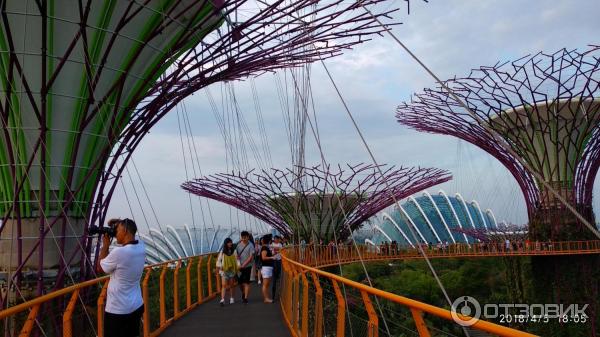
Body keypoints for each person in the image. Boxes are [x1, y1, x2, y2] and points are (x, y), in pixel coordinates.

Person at [97, 218, 145, 337]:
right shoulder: (141, 246)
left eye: (117, 230)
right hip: (136, 305)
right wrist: (119, 222)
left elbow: (100, 268)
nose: (115, 233)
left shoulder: (119, 252)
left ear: (125, 231)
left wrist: (105, 246)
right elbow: (132, 229)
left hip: (118, 311)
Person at [216, 238, 240, 306]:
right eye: (229, 242)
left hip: (232, 270)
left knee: (231, 285)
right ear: (226, 243)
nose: (230, 244)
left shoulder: (234, 251)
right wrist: (220, 266)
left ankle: (231, 298)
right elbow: (218, 260)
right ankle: (222, 299)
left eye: (231, 242)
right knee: (224, 285)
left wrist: (238, 266)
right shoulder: (222, 251)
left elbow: (237, 259)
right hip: (224, 271)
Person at [236, 231, 254, 304]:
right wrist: (238, 263)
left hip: (247, 266)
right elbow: (236, 255)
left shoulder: (251, 245)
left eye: (245, 237)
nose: (244, 239)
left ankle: (245, 298)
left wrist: (244, 265)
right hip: (239, 266)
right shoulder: (238, 245)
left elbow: (251, 257)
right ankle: (243, 292)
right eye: (242, 237)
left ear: (248, 237)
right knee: (240, 283)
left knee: (246, 282)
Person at [260, 236, 275, 303]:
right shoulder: (264, 248)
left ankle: (267, 297)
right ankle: (266, 298)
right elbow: (263, 257)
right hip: (266, 268)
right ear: (269, 241)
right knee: (265, 284)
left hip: (268, 267)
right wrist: (272, 258)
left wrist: (273, 255)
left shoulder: (266, 247)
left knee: (267, 284)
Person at [270, 235, 283, 301]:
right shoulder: (271, 244)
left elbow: (281, 252)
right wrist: (276, 251)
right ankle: (273, 295)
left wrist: (275, 251)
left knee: (279, 276)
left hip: (279, 261)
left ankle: (279, 293)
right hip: (274, 261)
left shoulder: (280, 245)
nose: (276, 240)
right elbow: (271, 253)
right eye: (275, 238)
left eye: (277, 239)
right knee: (274, 279)